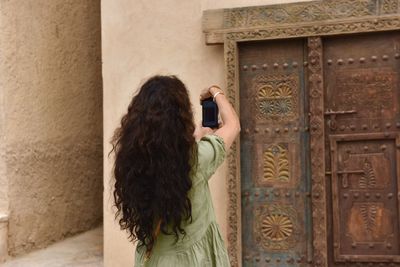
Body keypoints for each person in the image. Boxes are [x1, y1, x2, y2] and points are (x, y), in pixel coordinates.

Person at [109, 75, 240, 267]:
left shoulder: (134, 162)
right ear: (181, 117)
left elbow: (165, 153)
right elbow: (233, 125)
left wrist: (199, 136)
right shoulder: (197, 159)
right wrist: (215, 90)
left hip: (155, 259)